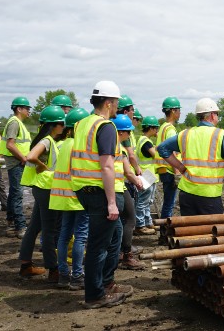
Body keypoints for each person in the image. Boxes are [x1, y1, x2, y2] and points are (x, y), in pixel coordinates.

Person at [70, 80, 132, 309]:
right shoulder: (105, 127)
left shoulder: (82, 124)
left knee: (114, 236)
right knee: (98, 245)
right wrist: (112, 202)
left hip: (84, 189)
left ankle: (106, 283)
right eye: (116, 102)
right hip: (99, 192)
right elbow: (106, 165)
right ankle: (95, 295)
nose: (117, 107)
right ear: (108, 103)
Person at [157, 98, 224, 216]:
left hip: (186, 194)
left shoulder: (185, 134)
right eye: (217, 114)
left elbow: (162, 148)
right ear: (211, 115)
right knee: (212, 227)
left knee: (190, 227)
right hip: (209, 196)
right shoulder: (220, 135)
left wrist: (180, 167)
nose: (218, 117)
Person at [17, 105, 66, 280]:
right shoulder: (47, 141)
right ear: (55, 125)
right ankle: (53, 270)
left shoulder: (47, 140)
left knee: (34, 227)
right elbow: (31, 156)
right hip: (46, 189)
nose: (64, 127)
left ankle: (25, 265)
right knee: (49, 230)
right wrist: (41, 165)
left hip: (41, 188)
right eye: (62, 123)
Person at [49, 107, 90, 290]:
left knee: (64, 235)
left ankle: (63, 275)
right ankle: (77, 276)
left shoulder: (64, 143)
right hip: (78, 197)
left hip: (63, 197)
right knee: (80, 236)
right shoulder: (79, 145)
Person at [115, 95, 144, 270]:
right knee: (130, 218)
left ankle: (119, 252)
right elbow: (127, 165)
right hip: (118, 185)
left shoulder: (109, 136)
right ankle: (125, 254)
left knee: (119, 221)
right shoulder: (119, 141)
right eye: (132, 110)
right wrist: (137, 178)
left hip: (112, 185)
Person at [0, 96, 32, 238]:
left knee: (14, 193)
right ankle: (20, 227)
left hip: (17, 162)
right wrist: (23, 158)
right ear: (19, 109)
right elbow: (10, 145)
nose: (29, 111)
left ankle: (11, 222)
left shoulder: (18, 123)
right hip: (17, 163)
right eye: (27, 108)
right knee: (18, 195)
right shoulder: (14, 123)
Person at [156, 96, 181, 218]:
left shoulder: (163, 127)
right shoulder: (170, 129)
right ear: (173, 111)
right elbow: (172, 152)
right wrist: (177, 172)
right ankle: (165, 227)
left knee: (167, 202)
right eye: (178, 110)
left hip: (163, 169)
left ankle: (164, 226)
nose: (180, 113)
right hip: (170, 170)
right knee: (169, 204)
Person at [134, 116, 160, 235]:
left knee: (147, 201)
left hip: (147, 174)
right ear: (151, 128)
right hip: (146, 175)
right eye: (156, 128)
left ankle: (148, 222)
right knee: (143, 202)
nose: (157, 131)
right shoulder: (146, 142)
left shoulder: (142, 140)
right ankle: (140, 225)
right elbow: (156, 155)